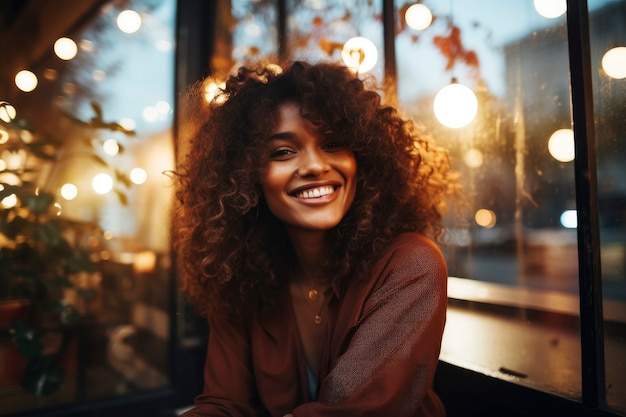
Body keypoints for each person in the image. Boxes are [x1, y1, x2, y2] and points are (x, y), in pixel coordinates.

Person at [174, 60, 460, 417]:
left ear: (363, 158)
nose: (313, 166)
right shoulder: (242, 276)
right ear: (246, 176)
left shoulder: (411, 263)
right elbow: (223, 404)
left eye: (333, 143)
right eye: (282, 151)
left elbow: (360, 412)